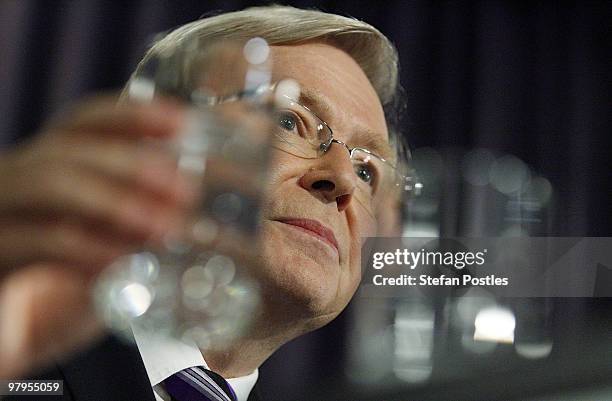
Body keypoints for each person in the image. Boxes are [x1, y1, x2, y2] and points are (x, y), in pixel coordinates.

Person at [0, 5, 409, 400]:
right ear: (156, 136)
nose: (341, 179)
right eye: (288, 120)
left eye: (367, 171)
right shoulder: (20, 348)